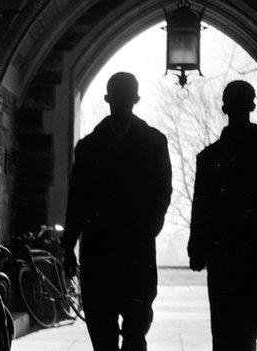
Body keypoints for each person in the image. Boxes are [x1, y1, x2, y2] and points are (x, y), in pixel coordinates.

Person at [61, 72, 172, 351]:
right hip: (109, 250)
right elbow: (77, 199)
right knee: (102, 331)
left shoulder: (93, 147)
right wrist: (68, 245)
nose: (121, 104)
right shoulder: (92, 147)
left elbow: (162, 192)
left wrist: (149, 228)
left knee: (136, 329)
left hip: (129, 248)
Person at [188, 80, 257, 351]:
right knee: (249, 323)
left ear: (224, 108)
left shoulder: (209, 157)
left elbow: (200, 210)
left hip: (222, 253)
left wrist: (197, 249)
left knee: (224, 328)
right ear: (252, 106)